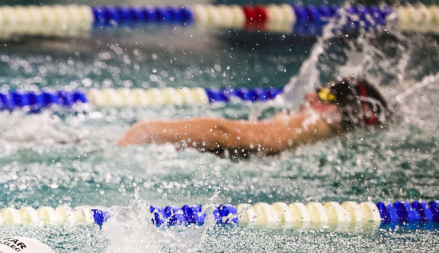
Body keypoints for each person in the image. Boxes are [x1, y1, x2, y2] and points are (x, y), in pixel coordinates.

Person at [116, 76, 390, 156]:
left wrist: (150, 129)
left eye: (325, 95)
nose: (310, 96)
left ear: (346, 111)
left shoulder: (312, 124)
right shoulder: (323, 133)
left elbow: (229, 133)